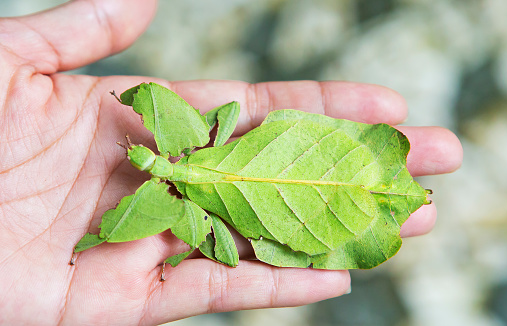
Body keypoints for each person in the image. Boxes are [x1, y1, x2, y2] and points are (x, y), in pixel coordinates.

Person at [0, 0, 463, 324]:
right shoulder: (191, 173)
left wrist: (178, 250)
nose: (147, 161)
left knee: (225, 251)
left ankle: (397, 194)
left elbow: (221, 243)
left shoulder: (187, 211)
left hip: (354, 180)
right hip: (330, 179)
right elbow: (228, 116)